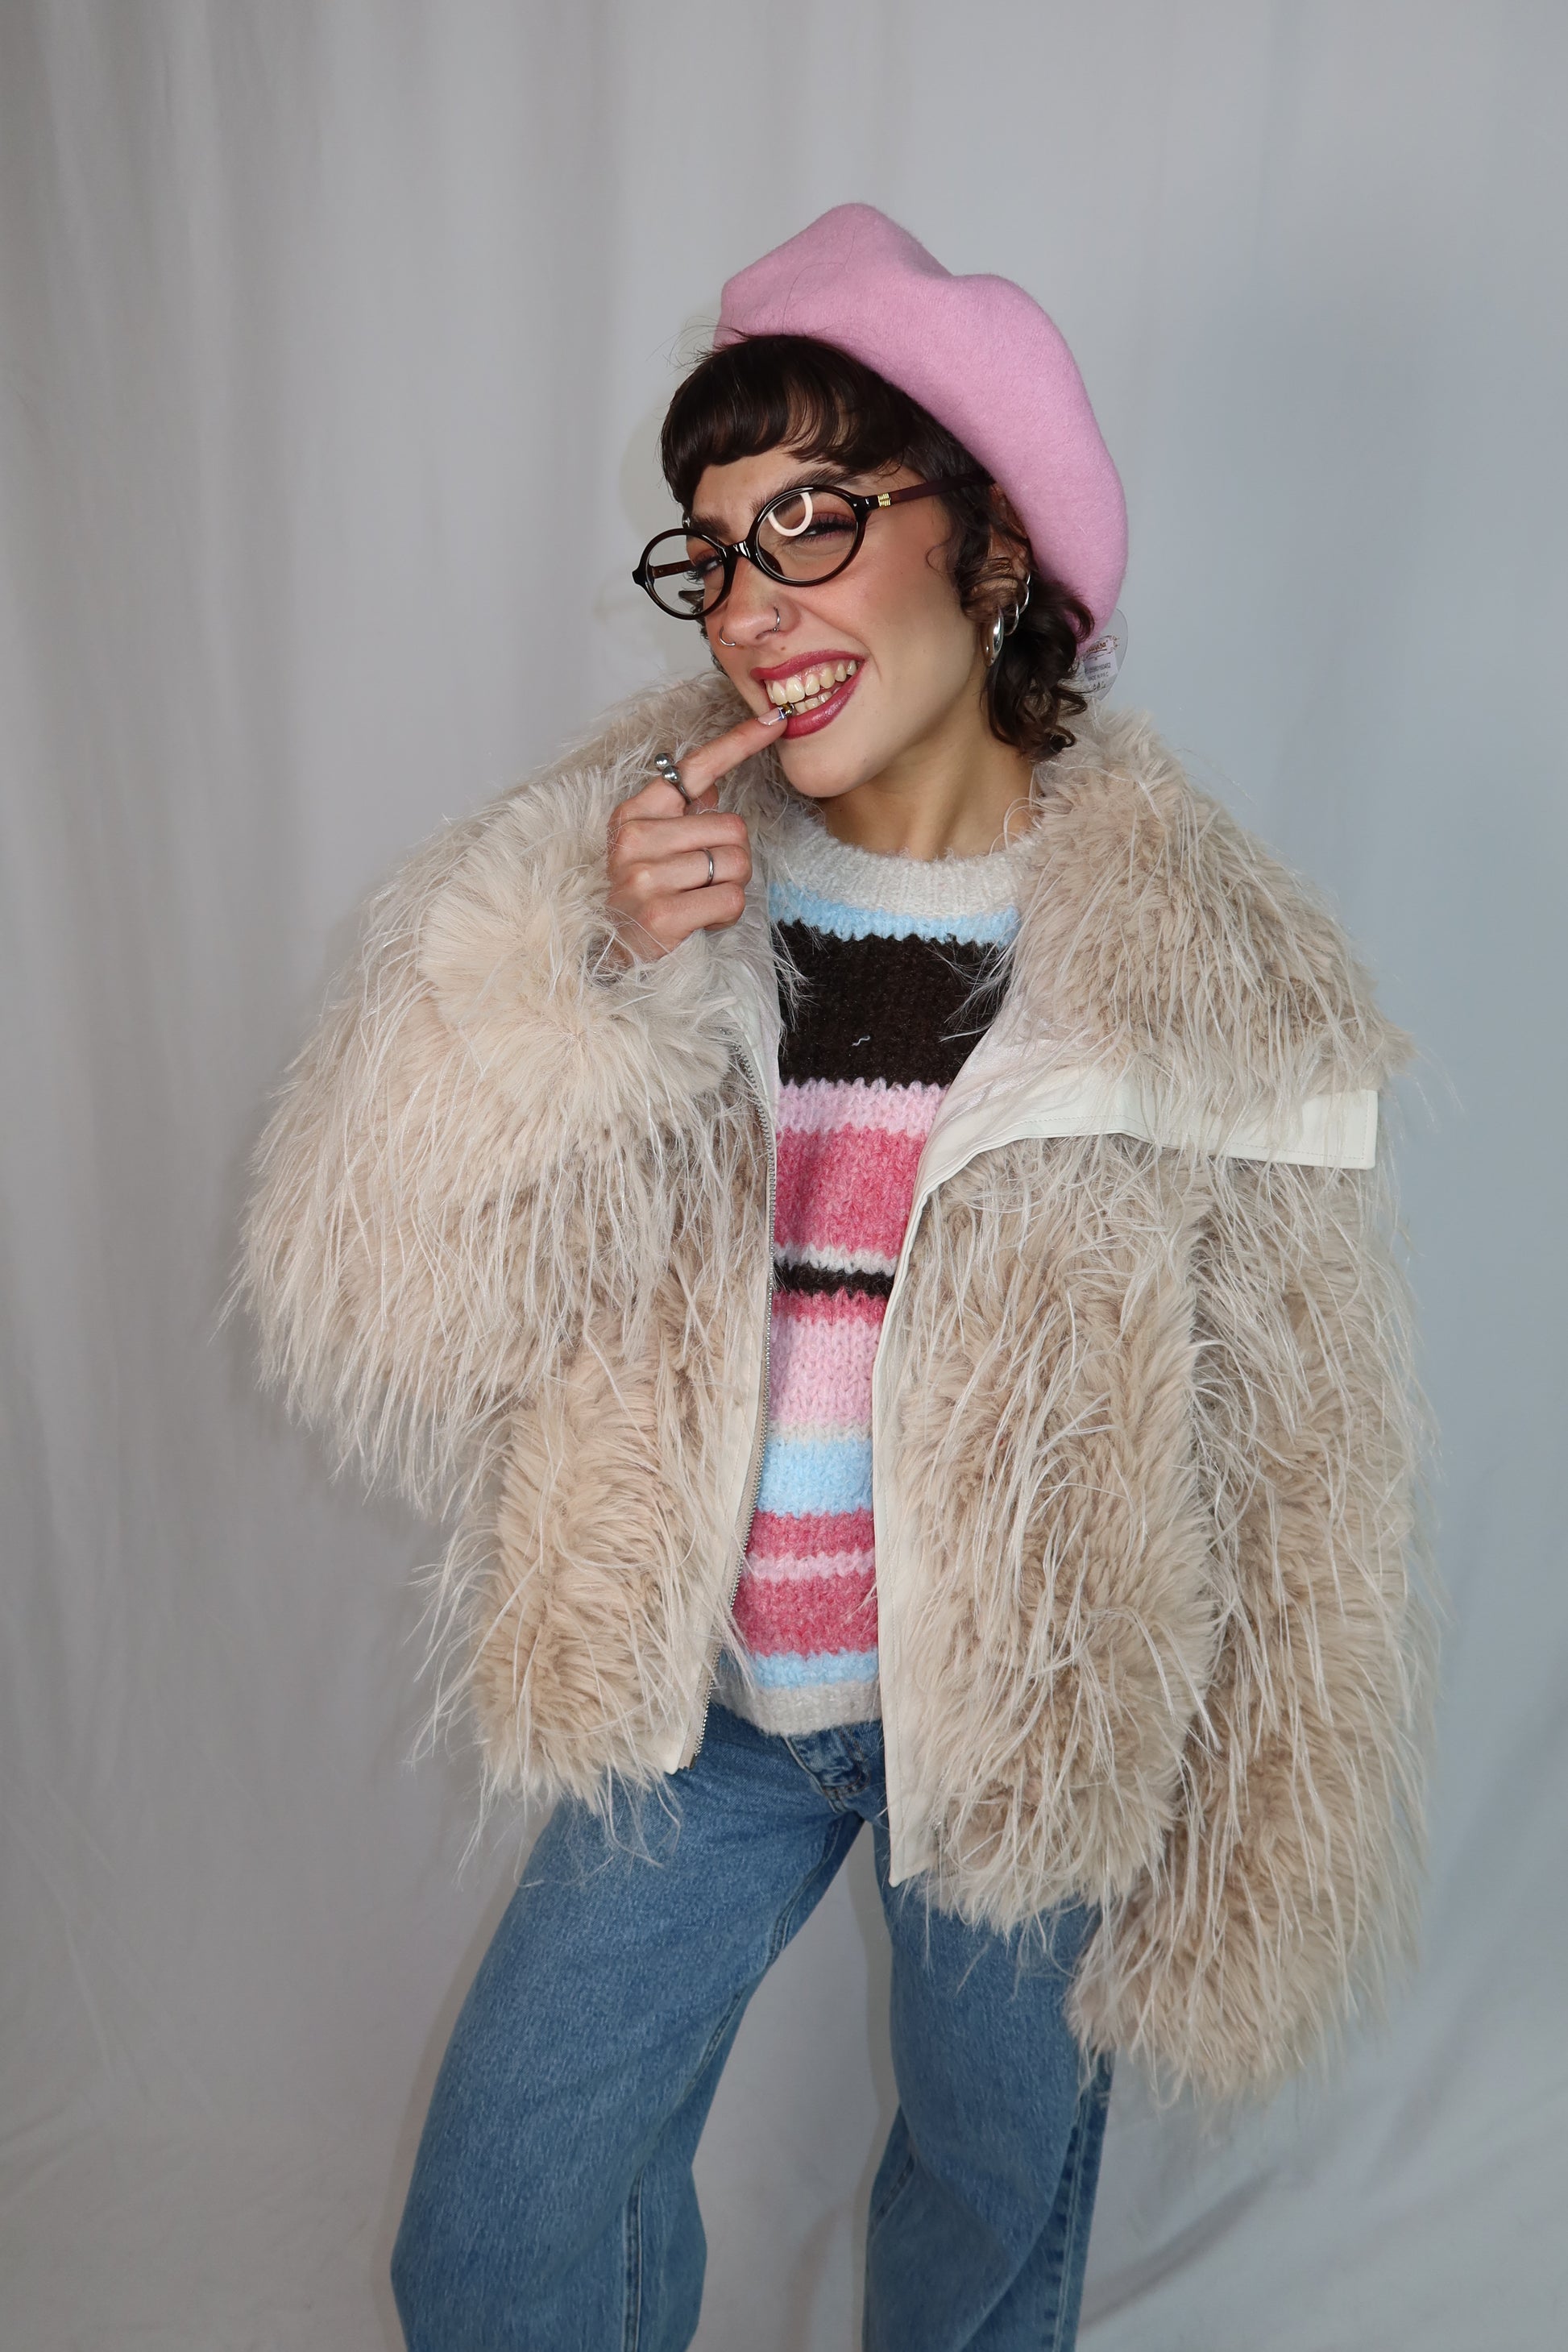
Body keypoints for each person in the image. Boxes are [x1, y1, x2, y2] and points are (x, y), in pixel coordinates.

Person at [238, 205, 1436, 2350]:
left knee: (986, 2220)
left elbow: (1297, 1451)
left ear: (991, 546)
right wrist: (599, 974)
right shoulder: (639, 869)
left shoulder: (1204, 958)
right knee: (499, 2227)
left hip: (1030, 1723)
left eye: (806, 520)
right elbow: (397, 1283)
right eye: (713, 553)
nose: (749, 607)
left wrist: (1249, 1821)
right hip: (704, 1707)